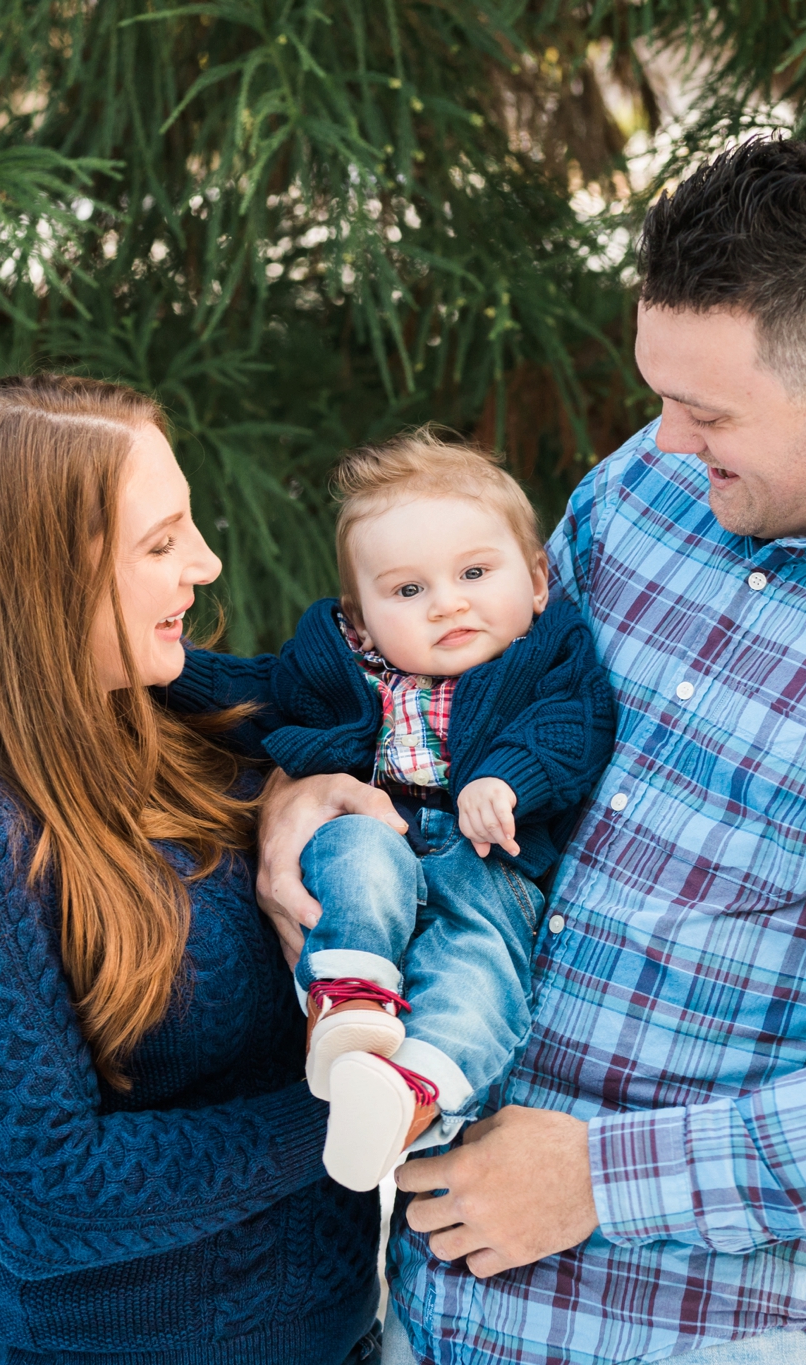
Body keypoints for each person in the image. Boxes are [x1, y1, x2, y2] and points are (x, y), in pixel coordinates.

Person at [256, 137, 806, 1365]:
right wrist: (304, 798)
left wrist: (595, 1179)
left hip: (715, 1335)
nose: (665, 440)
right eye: (661, 395)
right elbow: (468, 723)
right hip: (443, 1314)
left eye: (706, 410)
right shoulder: (648, 492)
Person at [0, 376, 381, 1365]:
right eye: (160, 543)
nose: (204, 565)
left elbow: (397, 735)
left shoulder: (177, 723)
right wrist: (360, 1106)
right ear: (41, 574)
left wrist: (301, 793)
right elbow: (46, 1195)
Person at [162, 433, 615, 1191]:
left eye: (475, 571)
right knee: (356, 849)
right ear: (362, 620)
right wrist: (167, 673)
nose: (449, 602)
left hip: (487, 867)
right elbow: (251, 692)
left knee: (484, 972)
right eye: (409, 591)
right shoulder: (341, 667)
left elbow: (571, 728)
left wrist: (504, 779)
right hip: (387, 831)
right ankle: (349, 997)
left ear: (538, 579)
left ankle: (411, 1094)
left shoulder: (548, 656)